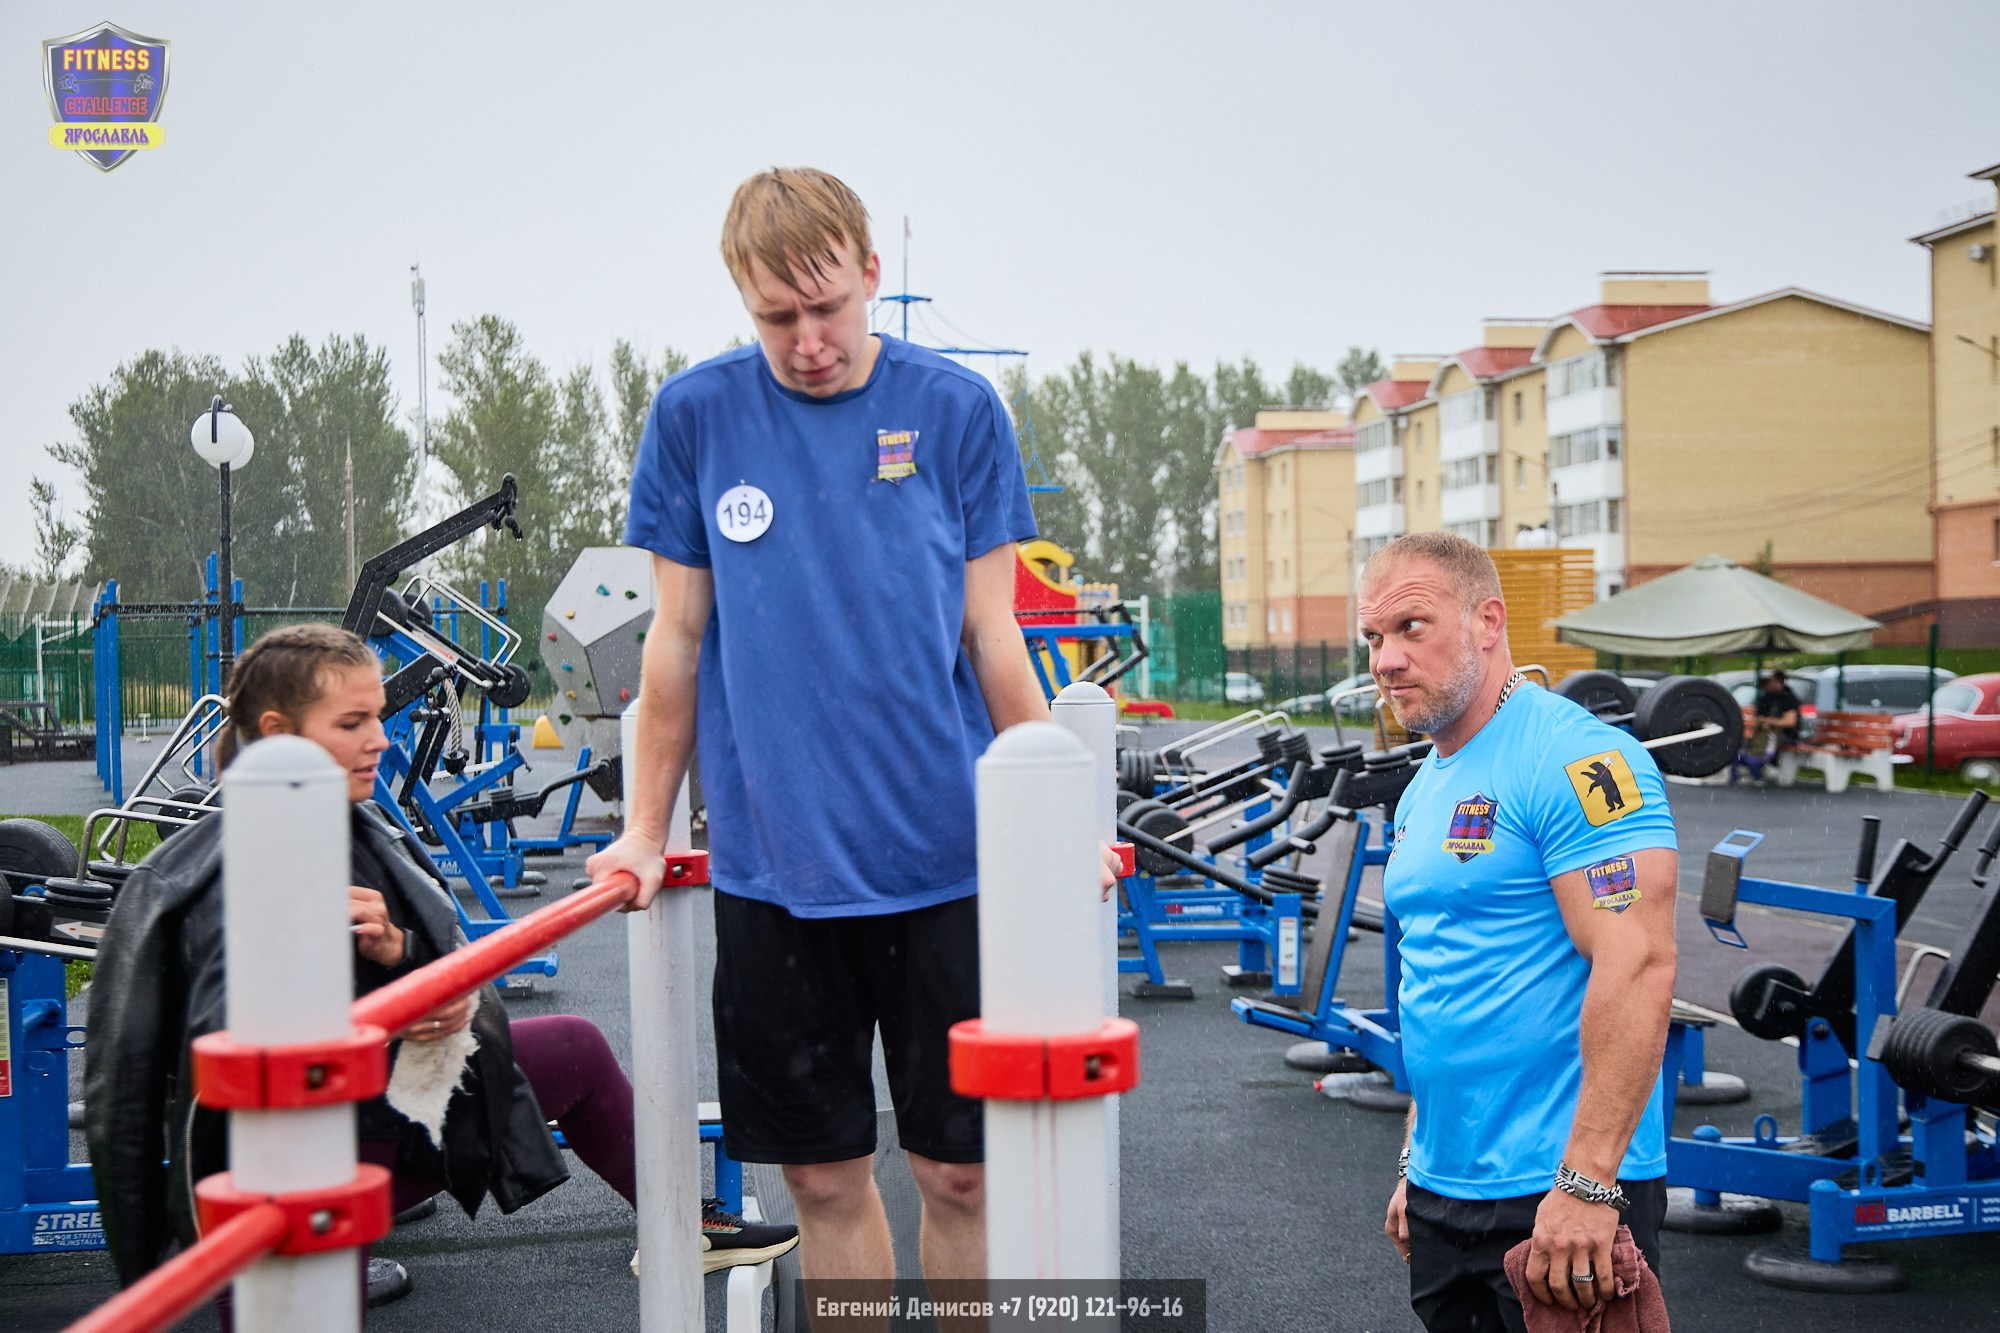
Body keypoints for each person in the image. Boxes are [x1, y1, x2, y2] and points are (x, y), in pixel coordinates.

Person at [589, 167, 1053, 1296]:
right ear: (743, 303)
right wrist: (644, 830)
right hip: (776, 867)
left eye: (827, 308)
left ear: (870, 276)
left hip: (947, 859)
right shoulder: (695, 415)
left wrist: (1055, 812)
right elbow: (676, 643)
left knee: (962, 1177)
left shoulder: (953, 411)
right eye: (777, 317)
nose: (808, 341)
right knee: (824, 1183)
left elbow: (994, 632)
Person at [84, 624, 797, 1304]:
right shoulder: (208, 877)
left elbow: (439, 965)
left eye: (378, 716)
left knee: (575, 1044)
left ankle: (681, 1225)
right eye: (352, 723)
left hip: (389, 1118)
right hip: (288, 1172)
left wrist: (405, 959)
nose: (377, 739)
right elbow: (197, 1076)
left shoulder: (358, 827)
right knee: (301, 1286)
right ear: (277, 735)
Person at [1364, 533, 1678, 1333]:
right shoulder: (1421, 788)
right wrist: (1415, 1159)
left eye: (1411, 627)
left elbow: (1637, 962)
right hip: (1445, 1189)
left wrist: (1589, 1183)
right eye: (1373, 637)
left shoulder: (1578, 760)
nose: (1386, 659)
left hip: (1559, 1190)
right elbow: (1437, 985)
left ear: (1486, 622)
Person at [1736, 670, 1803, 783]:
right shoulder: (1767, 697)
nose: (1768, 685)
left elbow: (1790, 722)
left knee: (1766, 741)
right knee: (1750, 738)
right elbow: (1759, 717)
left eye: (1771, 682)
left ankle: (1762, 764)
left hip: (1786, 735)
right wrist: (1764, 722)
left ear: (1779, 682)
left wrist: (1771, 722)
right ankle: (1754, 764)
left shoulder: (1789, 698)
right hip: (1766, 733)